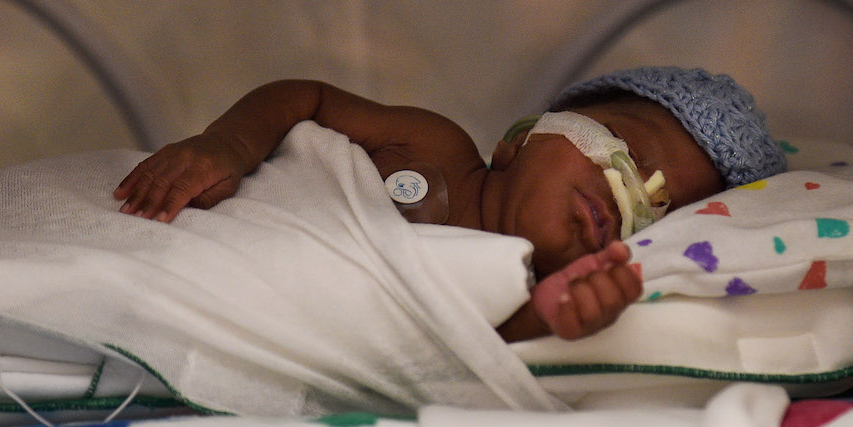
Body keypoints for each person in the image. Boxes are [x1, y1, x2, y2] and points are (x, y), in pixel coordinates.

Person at [115, 67, 785, 344]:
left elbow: (476, 345)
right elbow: (306, 99)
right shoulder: (434, 144)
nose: (634, 194)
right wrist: (225, 145)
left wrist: (567, 313)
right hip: (170, 227)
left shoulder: (524, 290)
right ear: (522, 137)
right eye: (634, 150)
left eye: (664, 207)